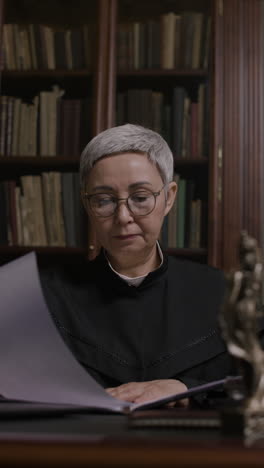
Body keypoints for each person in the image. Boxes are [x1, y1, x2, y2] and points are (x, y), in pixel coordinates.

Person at [40, 124, 230, 406]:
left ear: (169, 197)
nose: (123, 216)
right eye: (104, 200)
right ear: (86, 204)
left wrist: (187, 388)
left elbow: (253, 390)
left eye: (140, 198)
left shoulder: (224, 295)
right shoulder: (43, 298)